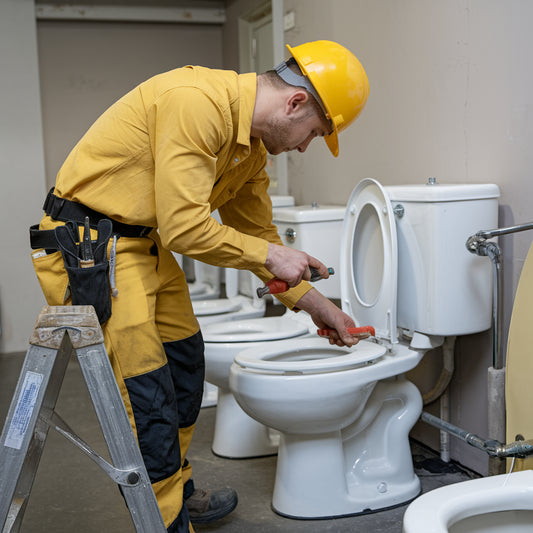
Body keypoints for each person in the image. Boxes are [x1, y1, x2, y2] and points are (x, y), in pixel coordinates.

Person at [29, 40, 369, 532]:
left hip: (142, 246)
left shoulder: (249, 151)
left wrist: (318, 306)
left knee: (186, 368)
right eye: (314, 132)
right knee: (145, 393)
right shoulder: (196, 102)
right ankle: (164, 520)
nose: (303, 146)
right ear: (295, 103)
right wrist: (274, 256)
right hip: (88, 248)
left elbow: (256, 235)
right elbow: (187, 228)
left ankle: (177, 489)